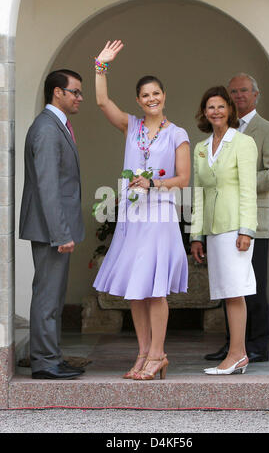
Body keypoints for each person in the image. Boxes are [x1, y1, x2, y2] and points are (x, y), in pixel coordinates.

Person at [93, 40, 190, 380]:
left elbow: (184, 178)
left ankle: (159, 353)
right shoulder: (131, 126)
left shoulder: (177, 133)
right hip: (133, 216)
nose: (151, 99)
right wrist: (100, 66)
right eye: (145, 95)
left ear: (164, 96)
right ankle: (143, 352)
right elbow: (102, 101)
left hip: (159, 215)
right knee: (137, 289)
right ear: (138, 100)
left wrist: (154, 184)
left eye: (156, 94)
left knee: (155, 288)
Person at [205, 73, 269, 363]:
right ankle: (232, 345)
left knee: (254, 287)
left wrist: (240, 179)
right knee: (230, 286)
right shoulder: (223, 131)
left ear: (256, 94)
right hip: (224, 221)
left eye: (243, 91)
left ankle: (258, 345)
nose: (238, 96)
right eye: (233, 92)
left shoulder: (268, 130)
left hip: (255, 223)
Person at [19, 69, 85, 379]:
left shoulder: (57, 126)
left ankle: (52, 357)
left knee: (54, 295)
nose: (79, 98)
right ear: (57, 92)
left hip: (55, 228)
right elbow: (48, 186)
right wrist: (61, 233)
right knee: (47, 295)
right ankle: (44, 362)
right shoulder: (47, 128)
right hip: (50, 230)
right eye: (75, 92)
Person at [191, 86, 258, 375]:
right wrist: (196, 235)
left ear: (230, 109)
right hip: (213, 230)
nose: (215, 111)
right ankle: (238, 354)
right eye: (210, 107)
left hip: (236, 228)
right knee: (225, 292)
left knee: (235, 292)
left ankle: (237, 354)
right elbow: (198, 194)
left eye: (220, 106)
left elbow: (248, 190)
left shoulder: (243, 143)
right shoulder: (201, 148)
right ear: (204, 112)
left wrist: (247, 230)